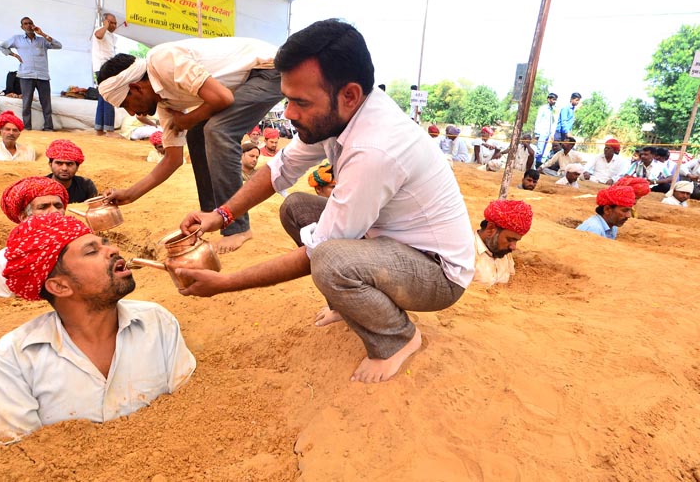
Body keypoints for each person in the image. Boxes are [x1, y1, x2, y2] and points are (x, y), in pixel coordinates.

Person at [175, 19, 475, 384]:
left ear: (349, 94)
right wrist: (221, 215)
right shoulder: (337, 116)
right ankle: (350, 303)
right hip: (388, 244)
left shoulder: (376, 148)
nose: (289, 113)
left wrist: (224, 283)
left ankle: (397, 338)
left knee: (331, 260)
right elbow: (280, 169)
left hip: (437, 272)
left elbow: (318, 252)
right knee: (296, 207)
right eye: (288, 99)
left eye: (300, 102)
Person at [0, 212, 196, 445]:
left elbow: (190, 408)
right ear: (59, 286)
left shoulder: (158, 322)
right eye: (91, 251)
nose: (113, 250)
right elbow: (6, 456)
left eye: (106, 244)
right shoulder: (14, 358)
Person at [97, 37, 283, 254]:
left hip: (269, 70)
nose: (131, 113)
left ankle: (237, 227)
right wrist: (129, 195)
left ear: (136, 87)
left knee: (217, 130)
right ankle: (212, 212)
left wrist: (187, 120)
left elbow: (222, 98)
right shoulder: (165, 103)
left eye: (125, 104)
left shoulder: (163, 60)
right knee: (197, 136)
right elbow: (172, 159)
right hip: (245, 82)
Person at [0, 176, 69, 297]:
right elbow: (1, 308)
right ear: (24, 217)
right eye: (43, 207)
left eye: (58, 206)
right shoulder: (4, 262)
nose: (54, 212)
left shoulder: (79, 248)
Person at [0, 17, 62, 131]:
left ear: (33, 25)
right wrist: (13, 55)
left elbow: (58, 45)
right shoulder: (17, 39)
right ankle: (27, 128)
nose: (28, 25)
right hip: (26, 75)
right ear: (22, 27)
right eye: (25, 24)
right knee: (26, 103)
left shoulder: (42, 40)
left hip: (42, 75)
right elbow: (1, 46)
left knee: (46, 103)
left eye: (30, 23)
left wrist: (42, 33)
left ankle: (48, 127)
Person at [473, 200, 533, 286]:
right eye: (509, 239)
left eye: (516, 241)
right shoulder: (465, 252)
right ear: (491, 229)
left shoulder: (504, 252)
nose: (513, 247)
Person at [92, 13, 118, 136]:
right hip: (102, 68)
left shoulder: (113, 36)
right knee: (109, 97)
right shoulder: (99, 31)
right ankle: (109, 130)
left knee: (103, 98)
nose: (113, 25)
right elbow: (98, 35)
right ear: (105, 22)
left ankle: (99, 129)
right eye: (111, 22)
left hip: (110, 68)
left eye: (115, 23)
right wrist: (105, 26)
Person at [533, 92, 558, 166]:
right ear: (548, 99)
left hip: (547, 133)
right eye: (553, 99)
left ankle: (537, 164)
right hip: (541, 132)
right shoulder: (543, 108)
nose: (554, 101)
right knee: (539, 151)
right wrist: (537, 133)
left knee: (543, 151)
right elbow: (538, 120)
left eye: (555, 100)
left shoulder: (551, 110)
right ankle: (533, 164)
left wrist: (551, 133)